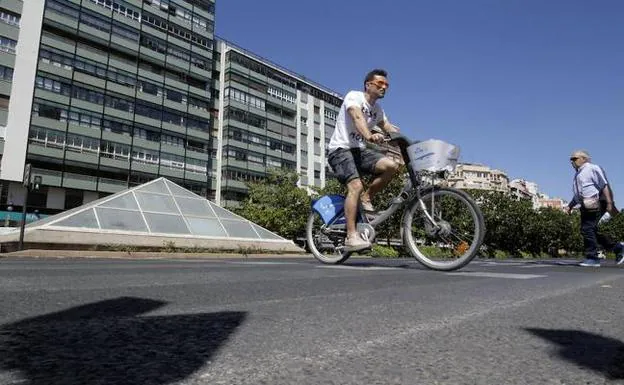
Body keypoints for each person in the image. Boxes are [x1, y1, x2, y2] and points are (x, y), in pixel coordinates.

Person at [327, 69, 400, 252]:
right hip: (340, 150)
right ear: (368, 84)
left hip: (358, 151)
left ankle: (367, 197)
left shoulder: (377, 110)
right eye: (380, 84)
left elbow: (389, 127)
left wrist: (409, 143)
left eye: (386, 85)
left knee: (391, 166)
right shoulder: (355, 97)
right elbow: (356, 116)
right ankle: (351, 237)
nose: (384, 87)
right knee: (355, 186)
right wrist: (368, 134)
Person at [564, 150, 624, 267]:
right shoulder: (578, 174)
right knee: (589, 230)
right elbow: (578, 195)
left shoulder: (592, 168)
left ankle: (592, 258)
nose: (572, 162)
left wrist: (609, 203)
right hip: (586, 205)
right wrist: (569, 206)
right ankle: (618, 248)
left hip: (597, 203)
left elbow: (604, 185)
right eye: (571, 160)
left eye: (574, 159)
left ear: (584, 159)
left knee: (588, 229)